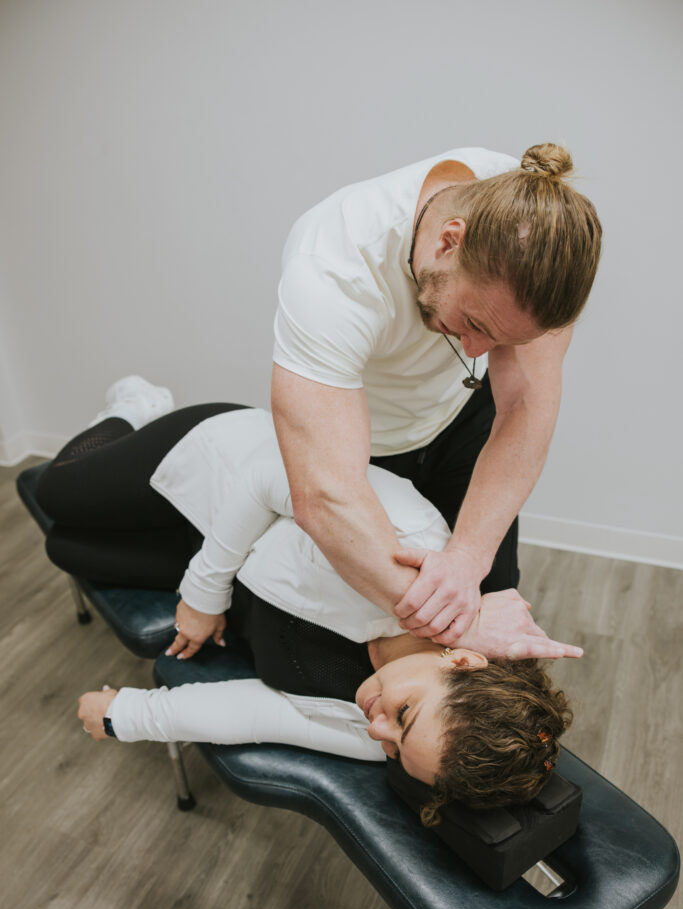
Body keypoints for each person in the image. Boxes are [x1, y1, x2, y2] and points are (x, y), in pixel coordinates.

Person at [38, 377, 577, 807]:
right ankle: (136, 407)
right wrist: (203, 594)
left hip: (203, 549)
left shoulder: (389, 734)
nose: (376, 729)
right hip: (226, 470)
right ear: (461, 660)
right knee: (55, 491)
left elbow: (263, 715)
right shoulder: (414, 550)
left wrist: (128, 715)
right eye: (403, 715)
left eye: (393, 752)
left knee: (65, 548)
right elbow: (270, 478)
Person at [270, 142, 602, 652]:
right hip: (368, 451)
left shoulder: (541, 231)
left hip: (465, 421)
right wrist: (460, 626)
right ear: (450, 241)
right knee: (380, 638)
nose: (475, 351)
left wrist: (468, 559)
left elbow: (525, 405)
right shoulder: (333, 269)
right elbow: (324, 495)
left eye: (502, 341)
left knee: (494, 600)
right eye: (474, 323)